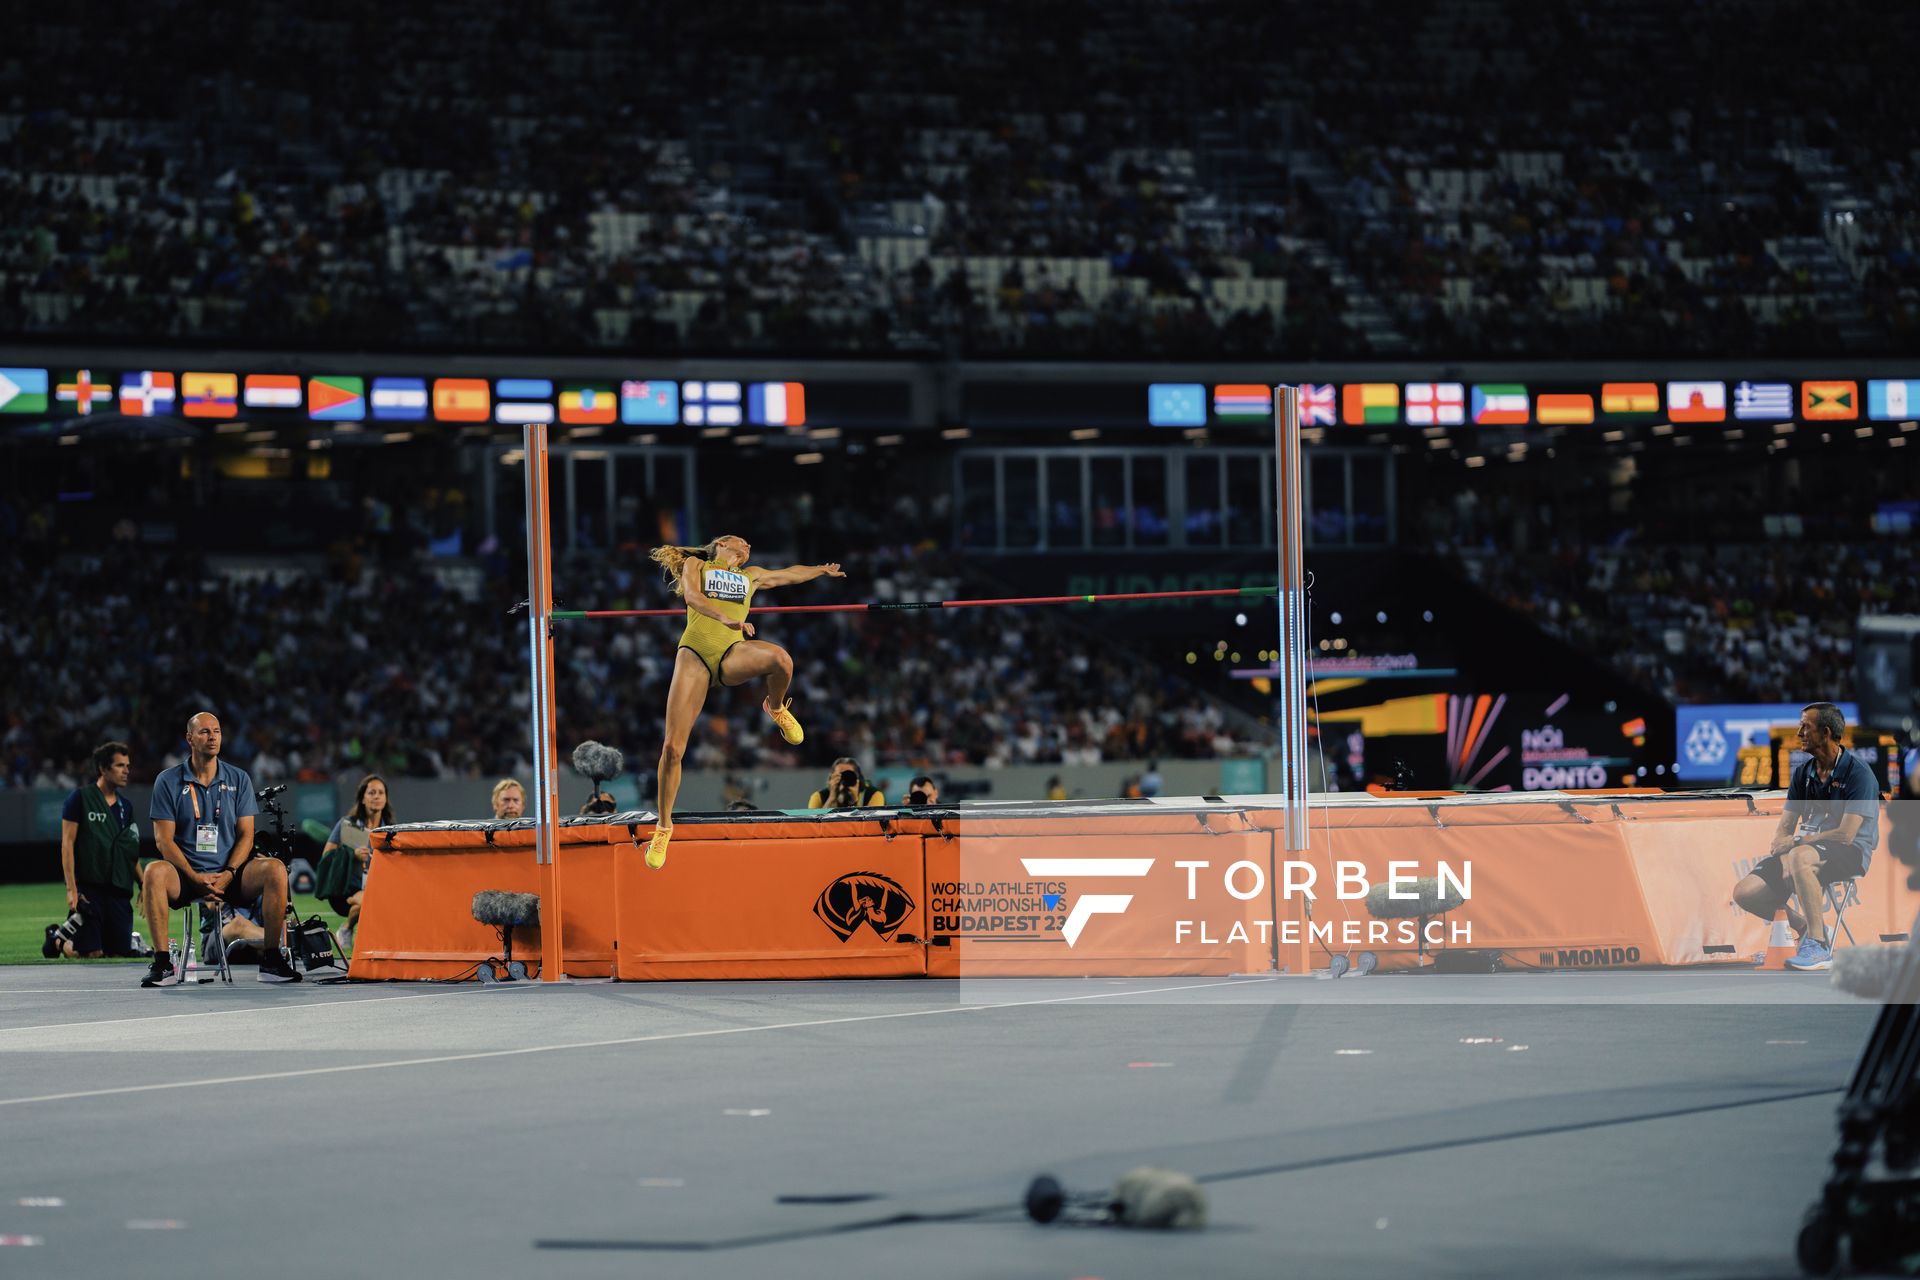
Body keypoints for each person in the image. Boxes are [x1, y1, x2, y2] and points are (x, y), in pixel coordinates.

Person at [644, 534, 846, 868]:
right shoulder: (698, 564)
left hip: (731, 652)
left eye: (750, 544)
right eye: (741, 542)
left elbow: (787, 574)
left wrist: (819, 570)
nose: (747, 546)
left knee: (781, 660)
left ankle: (776, 707)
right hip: (695, 653)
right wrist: (725, 619)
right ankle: (664, 826)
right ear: (721, 544)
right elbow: (692, 596)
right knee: (672, 749)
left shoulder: (749, 576)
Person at [142, 712, 300, 986]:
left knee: (274, 869)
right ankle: (162, 964)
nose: (212, 736)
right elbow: (163, 841)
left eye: (216, 731)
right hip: (185, 876)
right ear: (189, 738)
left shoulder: (239, 779)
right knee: (154, 871)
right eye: (204, 732)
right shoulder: (167, 781)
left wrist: (228, 872)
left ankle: (272, 960)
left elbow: (246, 836)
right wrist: (193, 876)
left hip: (231, 874)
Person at [1733, 702, 1880, 972]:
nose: (1799, 732)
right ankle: (1804, 926)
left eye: (1805, 727)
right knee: (1745, 893)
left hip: (1850, 852)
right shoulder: (1803, 773)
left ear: (1825, 733)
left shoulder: (1859, 774)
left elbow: (1846, 835)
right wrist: (1787, 850)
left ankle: (1818, 945)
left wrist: (1797, 847)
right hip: (1804, 852)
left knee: (1801, 856)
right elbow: (1785, 827)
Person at [48, 741, 142, 959]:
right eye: (120, 765)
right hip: (89, 889)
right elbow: (67, 845)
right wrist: (72, 889)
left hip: (118, 889)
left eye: (128, 765)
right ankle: (59, 940)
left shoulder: (125, 807)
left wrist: (143, 883)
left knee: (118, 953)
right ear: (103, 768)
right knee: (92, 953)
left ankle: (66, 937)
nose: (126, 771)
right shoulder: (80, 798)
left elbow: (128, 851)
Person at [318, 774, 393, 952]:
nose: (376, 796)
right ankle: (347, 928)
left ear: (386, 799)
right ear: (362, 799)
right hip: (343, 889)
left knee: (382, 897)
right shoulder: (347, 824)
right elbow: (326, 857)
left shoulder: (389, 829)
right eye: (371, 792)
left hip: (373, 887)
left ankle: (361, 934)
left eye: (381, 793)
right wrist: (351, 855)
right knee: (371, 899)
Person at [807, 757, 887, 809]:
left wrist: (855, 800)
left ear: (858, 778)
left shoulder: (873, 795)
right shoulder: (819, 797)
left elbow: (872, 825)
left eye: (849, 775)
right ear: (831, 778)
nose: (844, 778)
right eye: (840, 775)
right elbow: (814, 828)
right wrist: (831, 799)